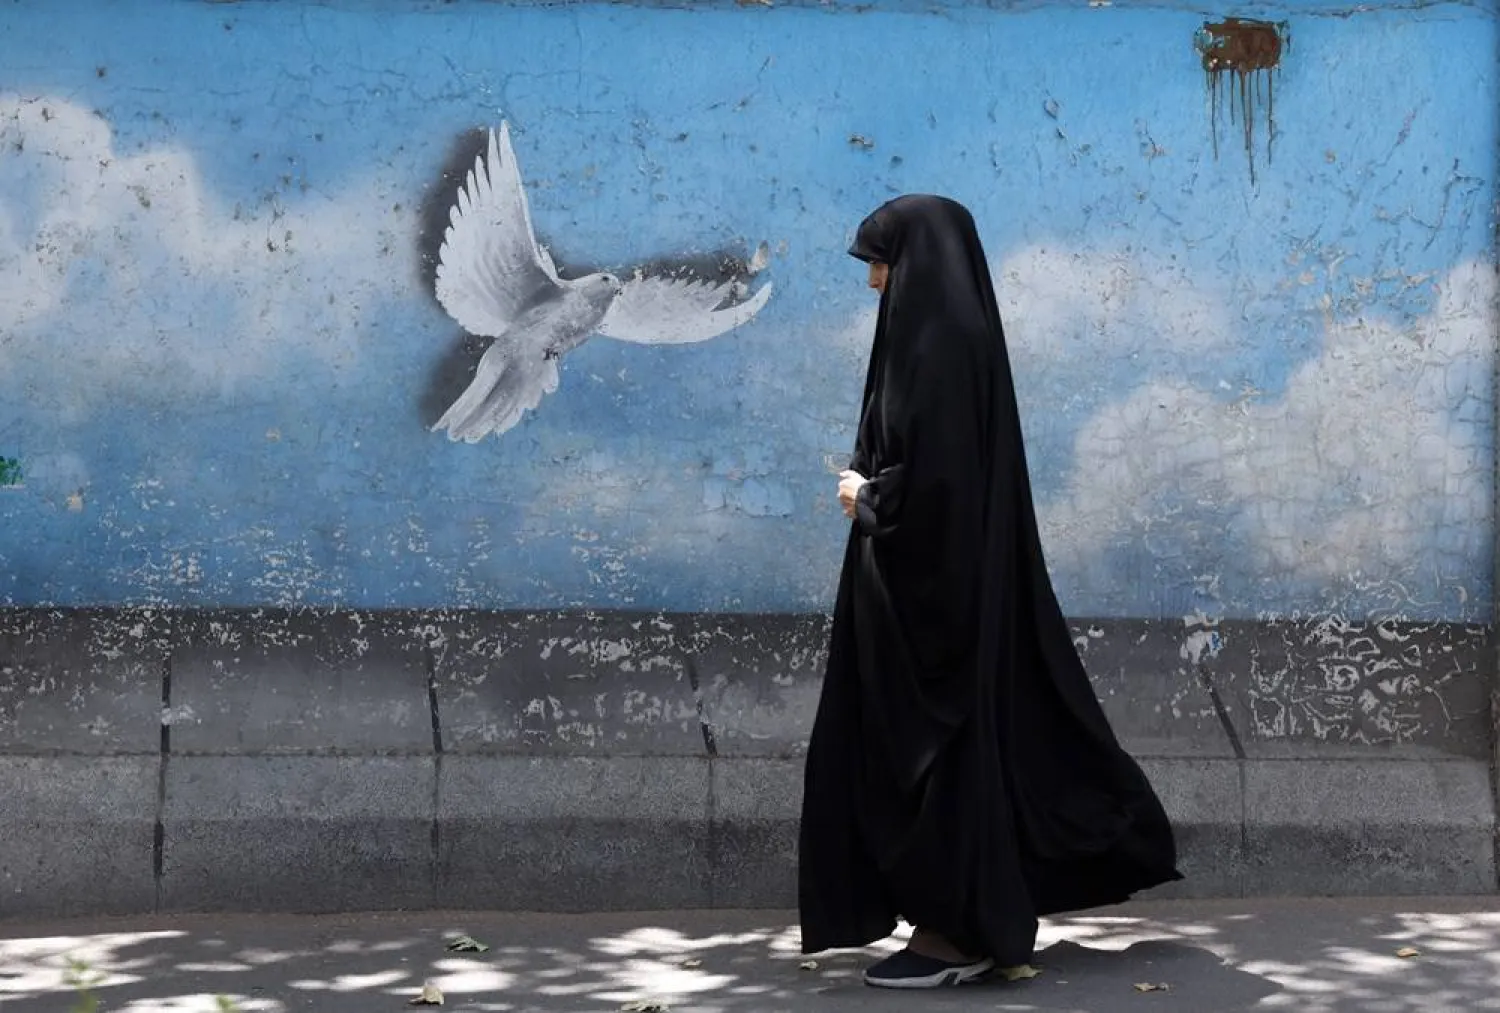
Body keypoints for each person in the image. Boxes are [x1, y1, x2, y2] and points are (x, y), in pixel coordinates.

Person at [797, 194, 1182, 990]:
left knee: (941, 757)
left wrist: (867, 499)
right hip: (939, 597)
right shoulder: (942, 336)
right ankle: (963, 922)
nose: (873, 282)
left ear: (918, 263)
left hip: (942, 608)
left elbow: (943, 485)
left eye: (881, 261)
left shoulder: (941, 345)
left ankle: (956, 934)